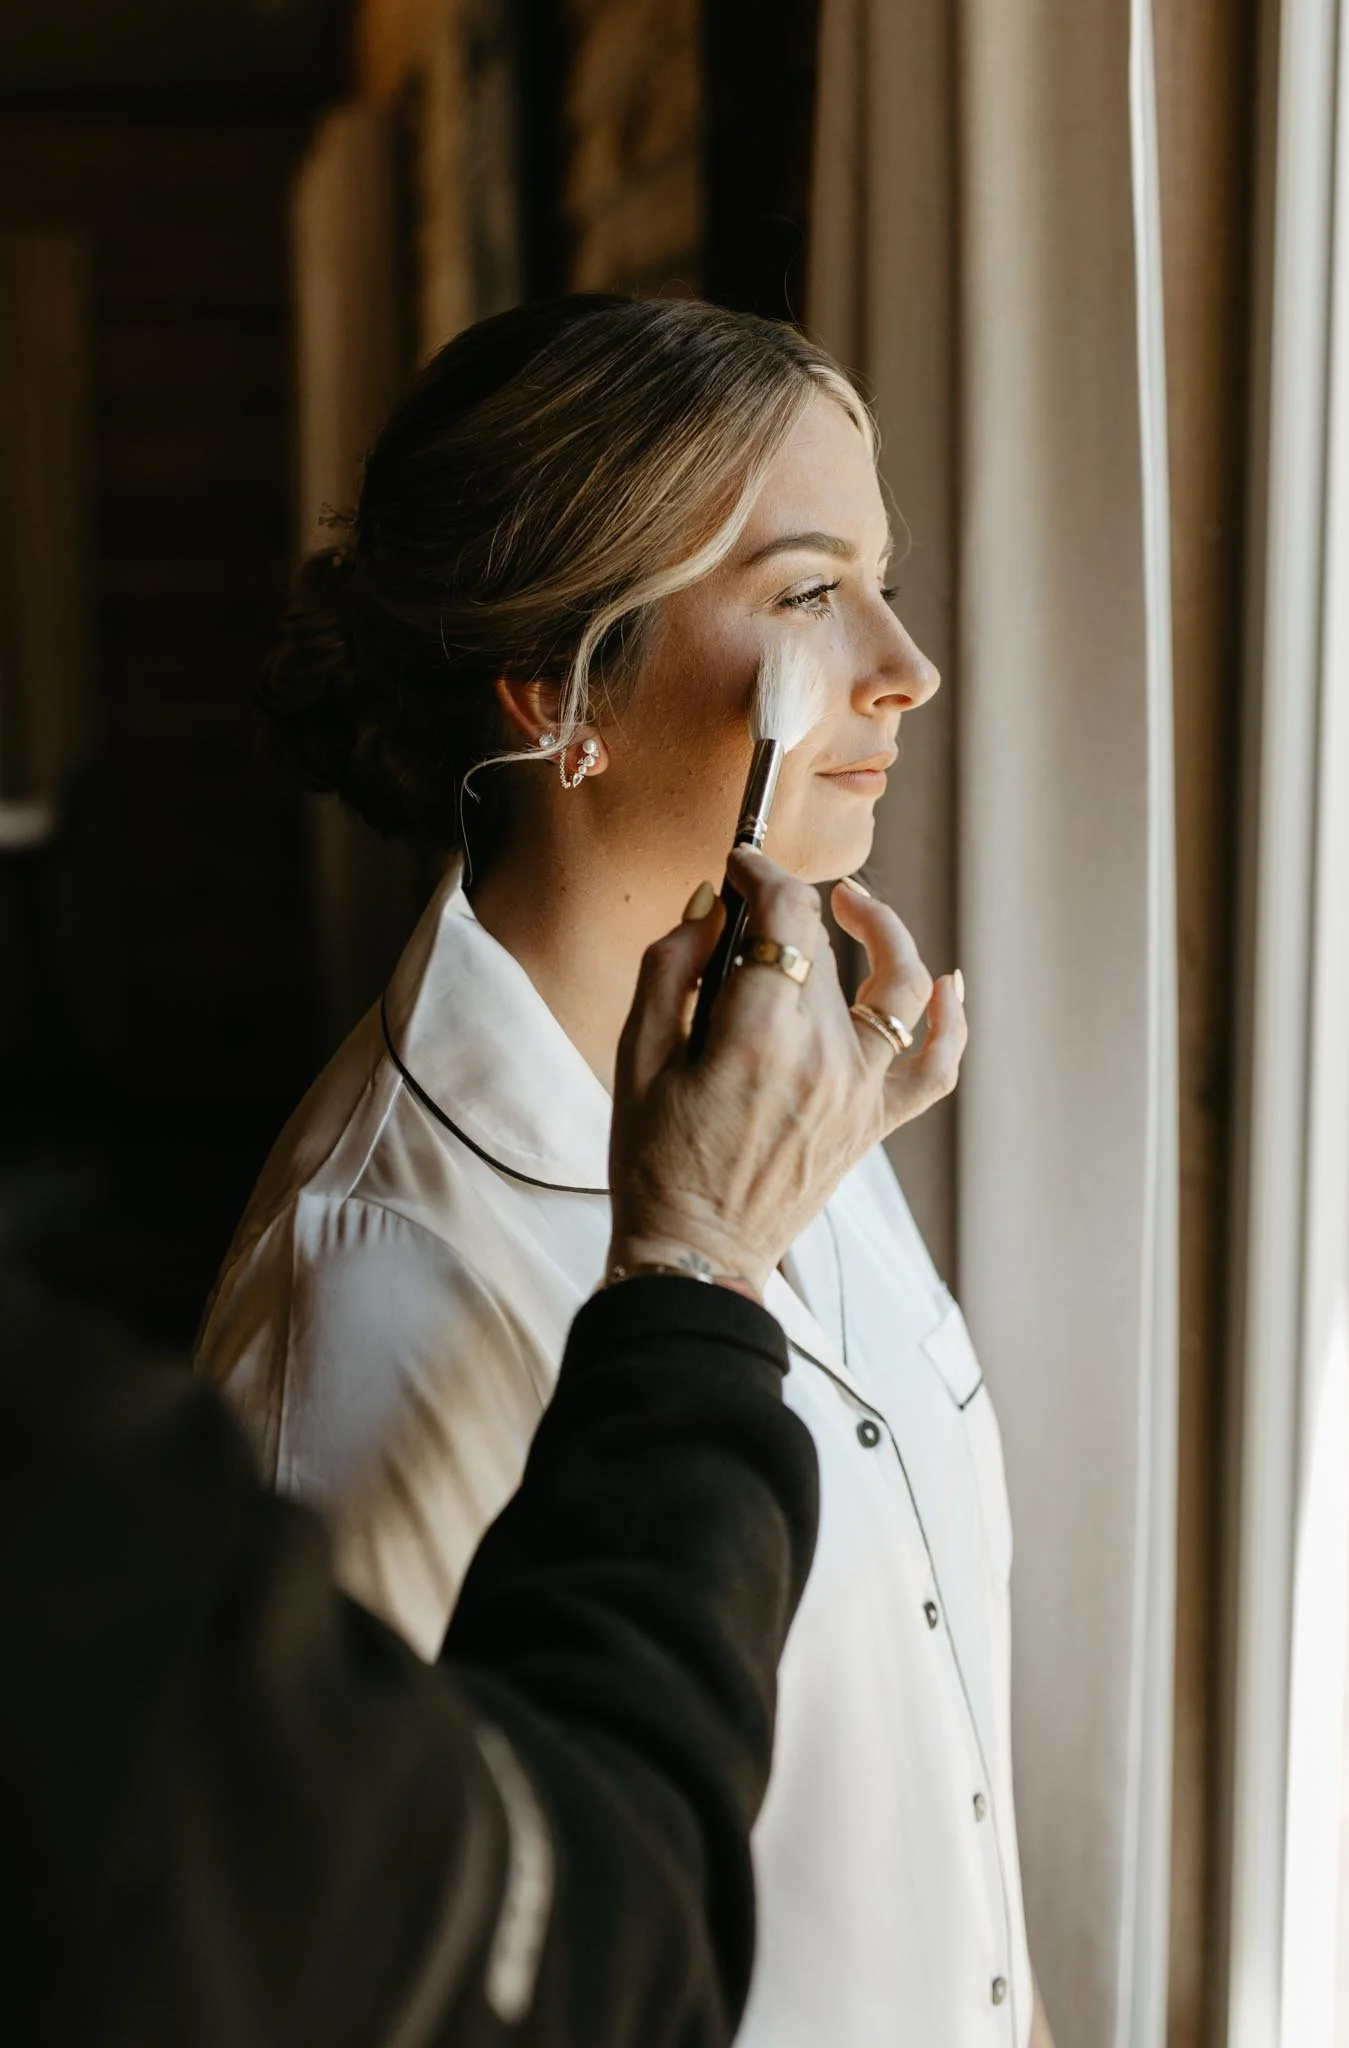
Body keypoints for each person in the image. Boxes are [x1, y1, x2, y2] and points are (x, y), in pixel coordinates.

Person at [197, 295, 1047, 2046]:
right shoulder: (372, 1293)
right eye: (807, 592)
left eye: (882, 579)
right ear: (559, 690)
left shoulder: (775, 1066)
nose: (906, 663)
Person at [2, 848, 944, 2047]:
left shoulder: (787, 1086)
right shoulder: (372, 1278)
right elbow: (542, 1943)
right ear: (562, 730)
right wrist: (694, 1268)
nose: (897, 699)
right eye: (802, 648)